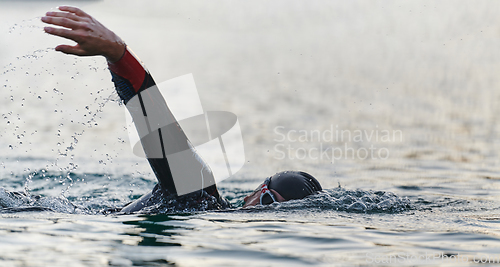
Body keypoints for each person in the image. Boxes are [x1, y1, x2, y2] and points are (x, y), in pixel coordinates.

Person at [41, 6, 322, 212]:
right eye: (268, 203)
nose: (265, 216)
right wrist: (119, 55)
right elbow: (161, 130)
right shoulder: (201, 195)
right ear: (256, 191)